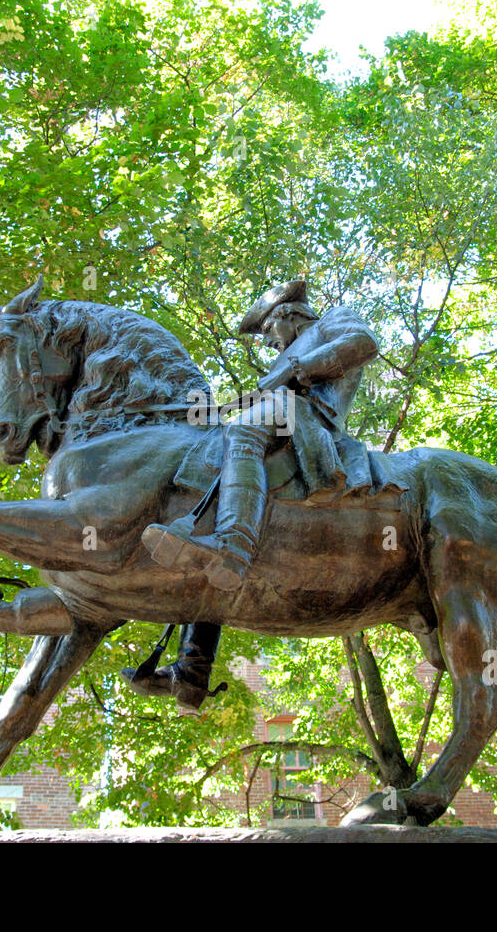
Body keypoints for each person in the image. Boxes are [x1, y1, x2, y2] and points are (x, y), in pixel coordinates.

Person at [121, 280, 381, 709]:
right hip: (282, 419)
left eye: (268, 333)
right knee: (214, 472)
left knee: (241, 430)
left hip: (310, 420)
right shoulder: (282, 357)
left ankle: (233, 547)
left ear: (287, 315)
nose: (270, 342)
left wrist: (296, 368)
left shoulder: (333, 320)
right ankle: (192, 670)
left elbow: (364, 342)